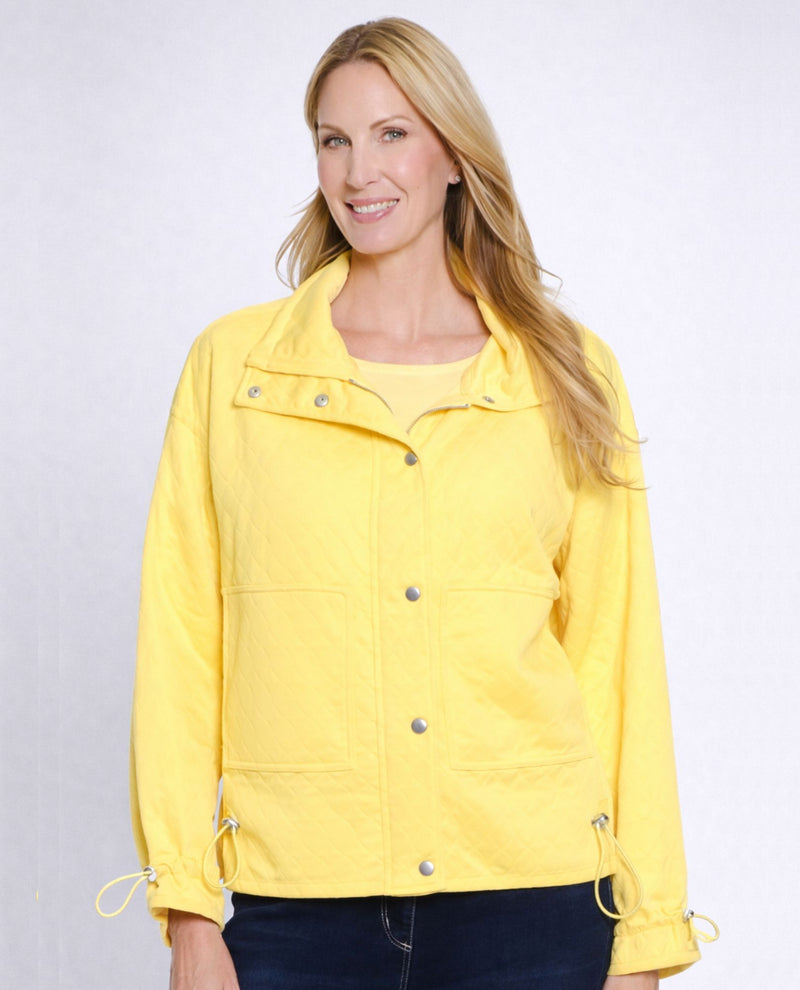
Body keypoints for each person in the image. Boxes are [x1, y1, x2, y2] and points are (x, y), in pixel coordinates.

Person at [100, 16, 717, 990]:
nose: (359, 172)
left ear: (455, 155)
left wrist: (642, 941)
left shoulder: (565, 371)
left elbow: (616, 655)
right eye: (334, 140)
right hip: (295, 911)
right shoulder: (234, 370)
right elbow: (183, 644)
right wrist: (187, 909)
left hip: (534, 903)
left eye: (392, 133)